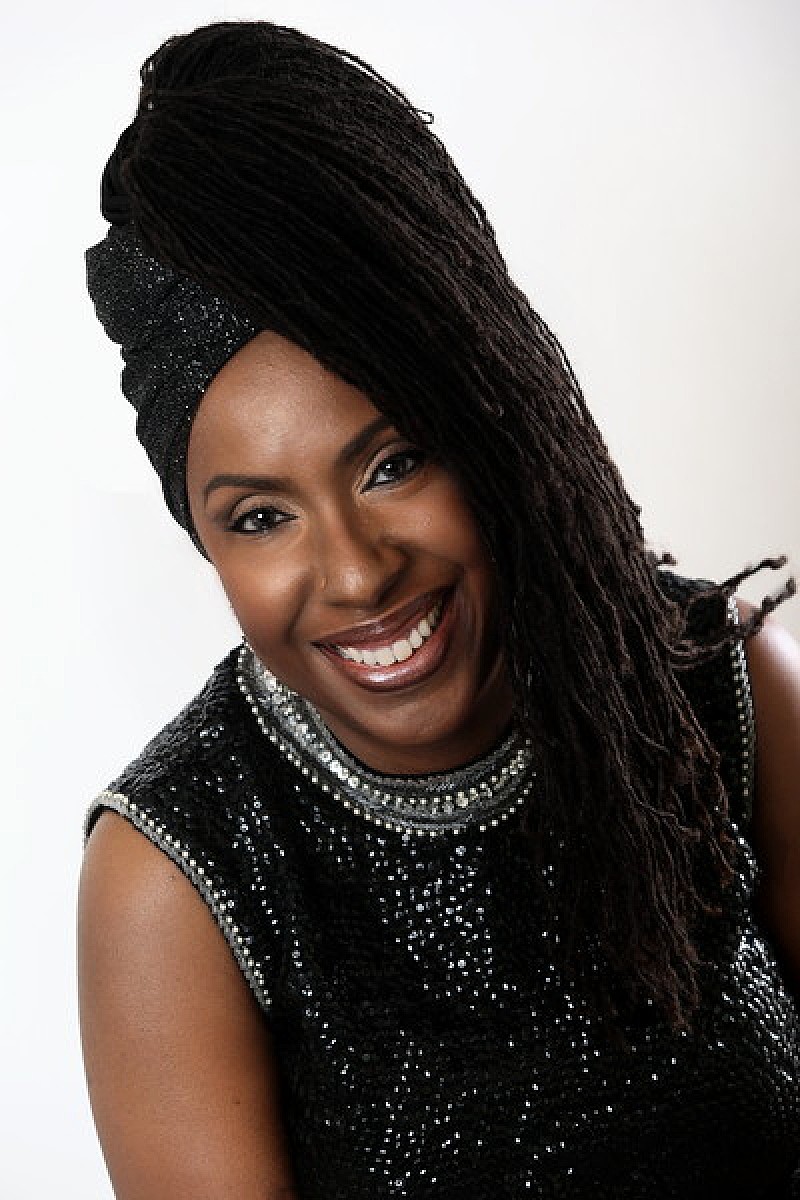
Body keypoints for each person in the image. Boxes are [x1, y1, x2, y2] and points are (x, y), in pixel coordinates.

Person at [78, 19, 800, 1200]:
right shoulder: (176, 879)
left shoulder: (720, 689)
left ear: (493, 418)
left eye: (393, 463)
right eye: (259, 517)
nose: (355, 574)